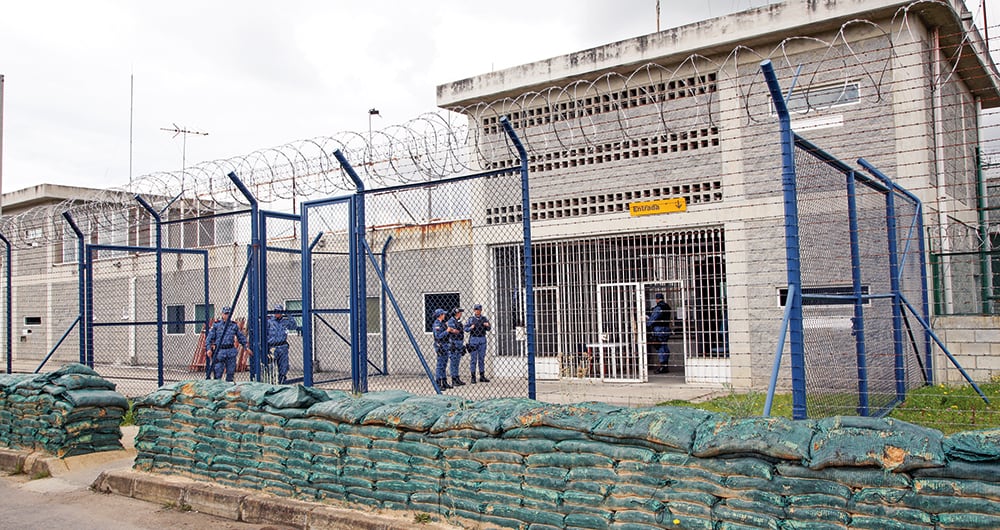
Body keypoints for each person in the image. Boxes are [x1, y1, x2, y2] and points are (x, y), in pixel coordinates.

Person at [205, 306, 248, 382]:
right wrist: (208, 349)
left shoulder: (234, 326)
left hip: (230, 351)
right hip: (220, 351)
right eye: (225, 314)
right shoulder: (216, 325)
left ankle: (229, 391)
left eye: (229, 314)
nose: (227, 315)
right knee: (218, 374)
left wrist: (246, 346)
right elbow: (209, 339)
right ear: (222, 314)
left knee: (230, 373)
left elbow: (240, 337)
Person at [267, 304, 298, 384]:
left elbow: (294, 326)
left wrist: (289, 315)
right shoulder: (269, 322)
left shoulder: (285, 321)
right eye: (276, 312)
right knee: (271, 367)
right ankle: (272, 383)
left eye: (279, 312)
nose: (277, 314)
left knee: (284, 367)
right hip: (272, 347)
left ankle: (282, 382)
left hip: (283, 347)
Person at [464, 304, 491, 383]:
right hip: (473, 339)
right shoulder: (471, 319)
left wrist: (487, 325)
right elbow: (465, 328)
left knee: (481, 359)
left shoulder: (484, 318)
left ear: (481, 310)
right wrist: (470, 328)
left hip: (482, 339)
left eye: (478, 309)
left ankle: (482, 376)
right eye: (476, 309)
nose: (477, 311)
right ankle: (473, 377)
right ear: (474, 310)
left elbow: (489, 328)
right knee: (473, 359)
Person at [646, 293, 673, 374]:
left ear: (656, 299)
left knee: (660, 347)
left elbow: (653, 319)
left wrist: (647, 323)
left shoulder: (658, 308)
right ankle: (665, 365)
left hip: (659, 329)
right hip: (666, 329)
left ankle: (662, 366)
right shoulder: (667, 306)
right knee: (664, 346)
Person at [431, 308, 452, 390]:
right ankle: (438, 383)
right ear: (440, 315)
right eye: (443, 314)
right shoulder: (437, 324)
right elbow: (438, 336)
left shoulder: (442, 323)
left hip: (445, 345)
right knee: (440, 365)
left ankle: (444, 381)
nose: (444, 315)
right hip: (440, 345)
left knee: (444, 364)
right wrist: (447, 331)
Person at [446, 307, 466, 386]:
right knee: (453, 361)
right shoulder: (451, 321)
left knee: (457, 361)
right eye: (460, 312)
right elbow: (453, 330)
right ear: (457, 313)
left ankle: (457, 377)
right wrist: (455, 331)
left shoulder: (458, 321)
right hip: (454, 342)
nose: (461, 314)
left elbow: (458, 331)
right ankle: (453, 379)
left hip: (459, 342)